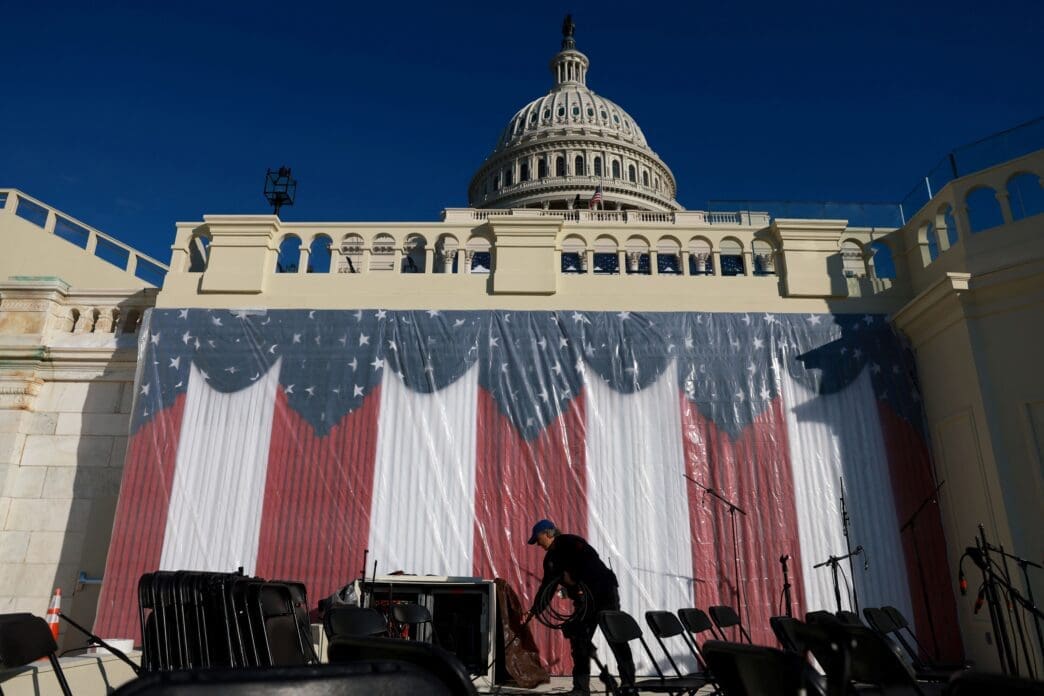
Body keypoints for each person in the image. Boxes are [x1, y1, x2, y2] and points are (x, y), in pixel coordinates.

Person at [522, 519, 635, 696]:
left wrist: (582, 585)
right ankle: (581, 689)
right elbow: (547, 587)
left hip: (604, 594)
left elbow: (590, 563)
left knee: (616, 639)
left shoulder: (571, 542)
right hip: (585, 602)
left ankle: (628, 685)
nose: (538, 544)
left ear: (548, 533)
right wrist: (534, 611)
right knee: (579, 640)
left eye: (538, 539)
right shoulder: (550, 560)